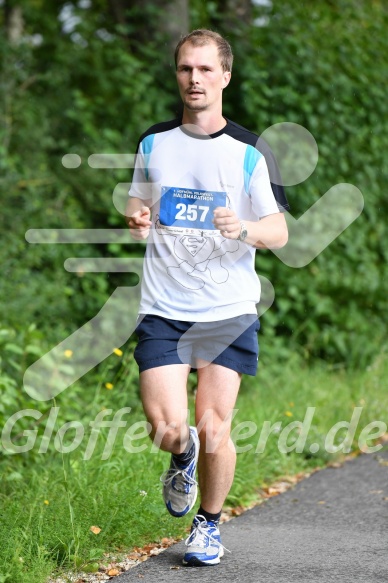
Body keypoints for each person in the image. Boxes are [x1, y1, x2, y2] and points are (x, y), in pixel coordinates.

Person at [125, 29, 289, 567]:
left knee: (215, 424)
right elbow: (138, 207)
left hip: (226, 311)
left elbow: (279, 232)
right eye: (184, 69)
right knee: (168, 427)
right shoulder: (154, 142)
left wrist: (242, 228)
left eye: (203, 69)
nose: (193, 79)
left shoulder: (249, 150)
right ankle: (181, 455)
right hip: (165, 308)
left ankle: (208, 527)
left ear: (224, 76)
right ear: (177, 75)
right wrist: (138, 220)